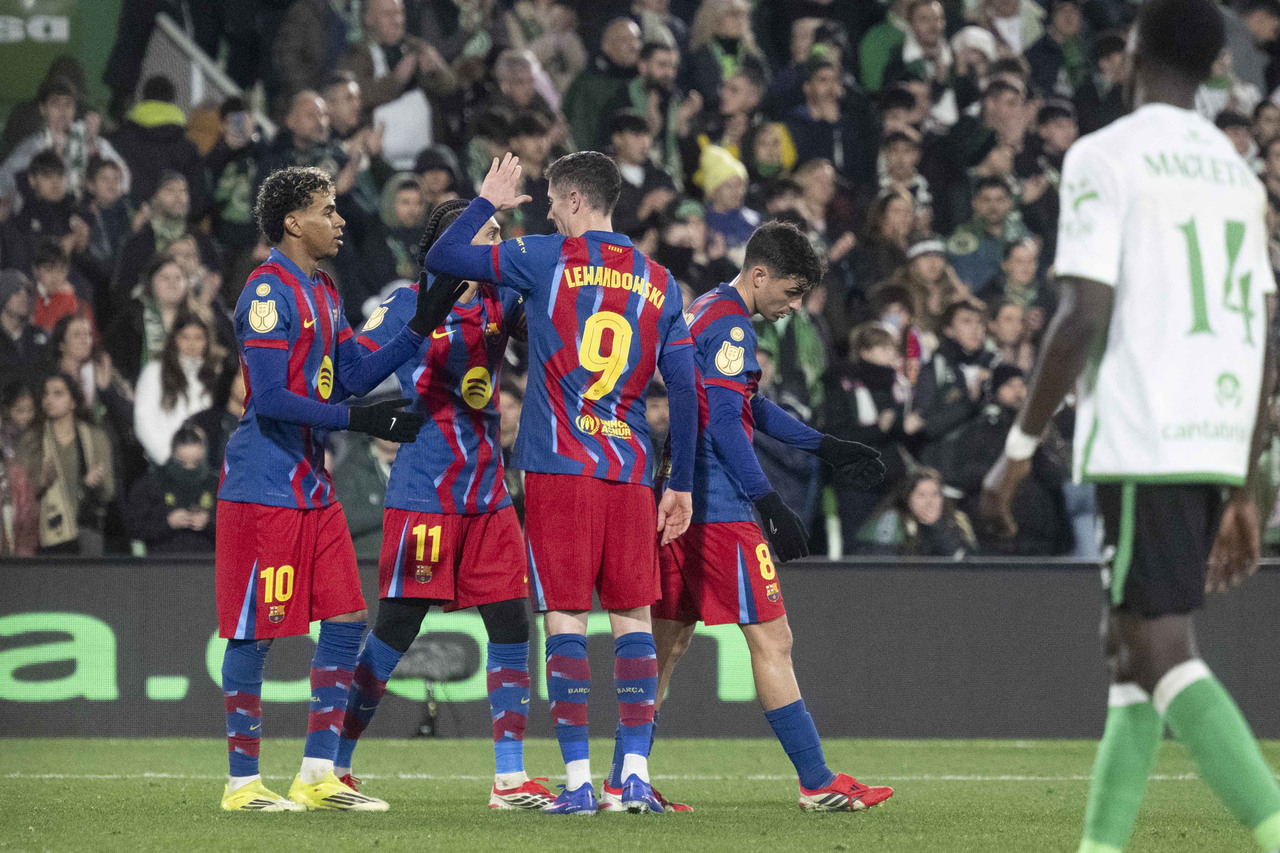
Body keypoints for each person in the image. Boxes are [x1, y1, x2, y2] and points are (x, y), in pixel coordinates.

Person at [980, 3, 1280, 850]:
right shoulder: (1237, 174)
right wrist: (1246, 481)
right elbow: (1265, 332)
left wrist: (1017, 452)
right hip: (1215, 431)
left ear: (1135, 52)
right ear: (1217, 64)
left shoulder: (1105, 154)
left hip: (1148, 430)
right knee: (1129, 656)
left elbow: (1081, 312)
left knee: (1159, 648)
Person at [424, 151, 699, 815]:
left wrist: (488, 201)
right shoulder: (661, 281)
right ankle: (633, 777)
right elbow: (687, 391)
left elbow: (444, 256)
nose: (547, 212)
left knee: (567, 618)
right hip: (630, 471)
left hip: (559, 465)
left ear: (575, 199)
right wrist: (681, 482)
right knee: (633, 619)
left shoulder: (546, 256)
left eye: (551, 200)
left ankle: (577, 781)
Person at [213, 164, 466, 813]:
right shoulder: (266, 291)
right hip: (263, 483)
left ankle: (318, 773)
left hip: (311, 484)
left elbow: (351, 373)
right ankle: (242, 783)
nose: (340, 219)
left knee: (349, 617)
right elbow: (270, 397)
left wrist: (418, 328)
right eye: (327, 209)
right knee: (254, 632)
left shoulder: (324, 290)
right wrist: (359, 420)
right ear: (294, 222)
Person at [646, 221, 889, 812]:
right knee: (773, 640)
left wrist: (824, 446)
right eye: (792, 291)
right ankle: (816, 781)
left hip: (679, 498)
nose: (795, 305)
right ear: (760, 276)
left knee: (666, 646)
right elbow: (725, 422)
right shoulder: (732, 323)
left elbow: (748, 404)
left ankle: (627, 776)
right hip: (719, 508)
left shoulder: (708, 308)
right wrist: (768, 499)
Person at [334, 198, 554, 809]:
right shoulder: (406, 304)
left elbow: (555, 325)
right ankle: (334, 762)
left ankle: (509, 778)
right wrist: (411, 334)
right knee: (396, 628)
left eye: (499, 233)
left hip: (487, 494)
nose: (496, 244)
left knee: (512, 623)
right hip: (425, 492)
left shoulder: (500, 301)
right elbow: (353, 373)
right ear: (448, 244)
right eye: (485, 233)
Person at [18, 372, 115, 556]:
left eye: (58, 393)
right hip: (45, 534)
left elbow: (108, 493)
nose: (49, 400)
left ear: (73, 402)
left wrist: (95, 483)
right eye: (46, 394)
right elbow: (21, 495)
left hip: (85, 531)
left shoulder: (95, 438)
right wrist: (43, 481)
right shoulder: (32, 440)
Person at [134, 315, 222, 467]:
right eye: (185, 337)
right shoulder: (154, 372)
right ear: (175, 339)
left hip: (209, 469)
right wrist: (171, 461)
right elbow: (143, 422)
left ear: (208, 340)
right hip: (165, 466)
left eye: (198, 338)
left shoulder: (218, 376)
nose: (191, 344)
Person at [124, 425, 219, 554]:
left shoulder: (217, 485)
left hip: (206, 560)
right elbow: (134, 527)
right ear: (173, 455)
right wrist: (168, 523)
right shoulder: (151, 484)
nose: (190, 468)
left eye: (196, 462)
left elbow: (236, 528)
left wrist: (209, 522)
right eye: (183, 463)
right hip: (163, 560)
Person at [859, 467, 976, 557]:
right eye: (921, 495)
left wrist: (937, 527)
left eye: (935, 494)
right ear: (907, 498)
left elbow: (965, 563)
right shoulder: (891, 519)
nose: (930, 502)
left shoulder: (956, 520)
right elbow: (881, 564)